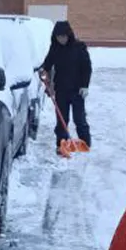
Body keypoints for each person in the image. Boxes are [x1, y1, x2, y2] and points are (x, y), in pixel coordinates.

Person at [39, 20, 93, 154]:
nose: (61, 39)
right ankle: (61, 144)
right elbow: (47, 65)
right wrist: (44, 73)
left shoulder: (79, 48)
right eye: (58, 37)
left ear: (69, 35)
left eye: (63, 36)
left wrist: (85, 86)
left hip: (77, 90)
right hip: (61, 90)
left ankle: (85, 143)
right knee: (62, 119)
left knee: (79, 118)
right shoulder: (55, 48)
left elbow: (87, 68)